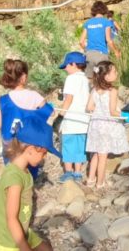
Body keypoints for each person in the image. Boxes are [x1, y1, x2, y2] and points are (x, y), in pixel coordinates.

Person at [0, 115, 59, 251]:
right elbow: (11, 218)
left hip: (21, 230)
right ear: (30, 150)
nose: (44, 157)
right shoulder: (15, 179)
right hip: (5, 240)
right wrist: (24, 247)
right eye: (43, 153)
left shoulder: (23, 170)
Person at [0, 59, 49, 179]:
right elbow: (47, 113)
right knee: (31, 171)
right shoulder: (34, 95)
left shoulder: (3, 100)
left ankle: (15, 186)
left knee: (13, 171)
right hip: (31, 139)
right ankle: (29, 184)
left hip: (10, 141)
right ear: (24, 77)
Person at [84, 61, 129, 188]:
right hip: (106, 127)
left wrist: (99, 110)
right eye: (114, 71)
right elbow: (113, 112)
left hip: (95, 125)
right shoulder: (112, 91)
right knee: (103, 156)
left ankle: (90, 180)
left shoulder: (94, 89)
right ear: (106, 76)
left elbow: (89, 107)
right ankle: (100, 183)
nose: (116, 73)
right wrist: (124, 115)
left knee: (96, 153)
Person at [57, 51, 90, 183]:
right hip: (83, 119)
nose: (65, 68)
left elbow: (69, 99)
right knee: (80, 147)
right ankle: (78, 173)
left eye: (67, 65)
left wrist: (60, 116)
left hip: (71, 118)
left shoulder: (71, 79)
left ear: (74, 64)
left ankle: (68, 172)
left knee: (68, 145)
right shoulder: (85, 79)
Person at [80, 1, 120, 76]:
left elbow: (81, 42)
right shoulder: (106, 22)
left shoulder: (88, 22)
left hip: (89, 55)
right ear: (104, 9)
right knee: (103, 78)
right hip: (101, 54)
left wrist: (86, 50)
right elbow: (109, 40)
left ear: (93, 10)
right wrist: (116, 51)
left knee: (90, 78)